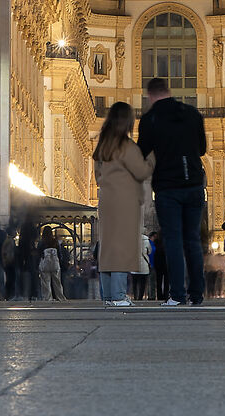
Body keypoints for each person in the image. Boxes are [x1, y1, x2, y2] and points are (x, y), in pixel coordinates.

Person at [135, 75, 209, 305]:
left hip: (168, 187)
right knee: (193, 240)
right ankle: (197, 294)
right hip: (195, 183)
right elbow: (203, 149)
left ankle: (177, 295)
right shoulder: (192, 113)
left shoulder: (150, 119)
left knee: (174, 240)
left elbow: (141, 152)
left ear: (150, 95)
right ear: (169, 91)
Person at [92, 100, 154, 305]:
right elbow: (142, 171)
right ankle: (119, 296)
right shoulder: (126, 146)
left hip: (106, 199)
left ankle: (109, 295)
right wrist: (152, 158)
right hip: (124, 201)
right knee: (120, 248)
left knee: (107, 247)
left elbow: (98, 176)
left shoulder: (102, 146)